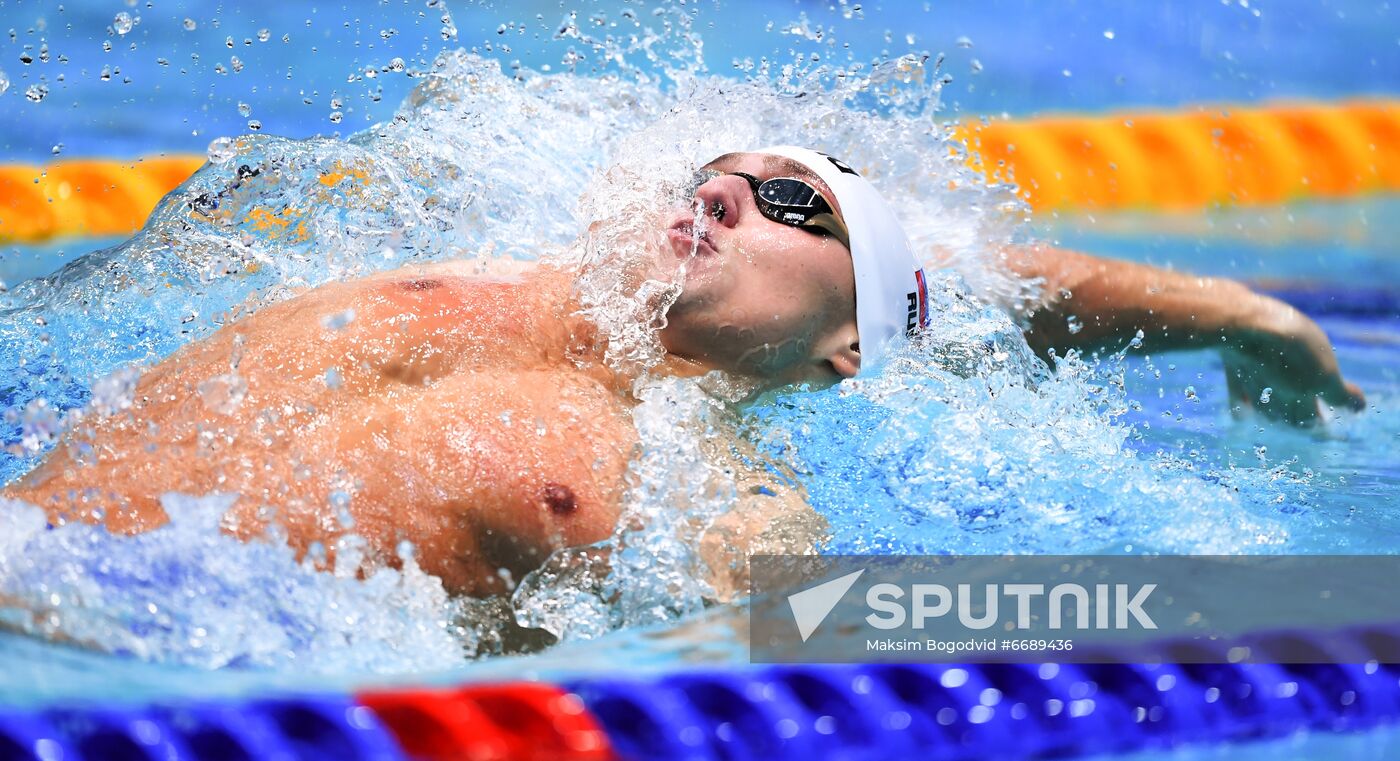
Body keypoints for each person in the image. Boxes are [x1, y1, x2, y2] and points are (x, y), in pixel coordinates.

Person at [0, 146, 1364, 598]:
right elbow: (968, 273)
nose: (727, 191)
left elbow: (789, 645)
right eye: (720, 172)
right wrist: (1231, 304)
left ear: (848, 351)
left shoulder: (706, 486)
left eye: (793, 204)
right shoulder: (496, 258)